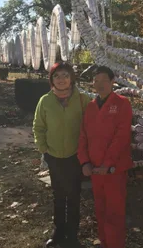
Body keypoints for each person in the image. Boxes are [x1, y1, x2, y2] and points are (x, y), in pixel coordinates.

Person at [33, 61, 89, 248]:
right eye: (57, 76)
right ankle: (58, 231)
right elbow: (38, 127)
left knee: (73, 195)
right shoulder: (45, 101)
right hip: (54, 156)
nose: (61, 79)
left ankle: (72, 234)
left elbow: (92, 124)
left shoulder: (82, 99)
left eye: (65, 75)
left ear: (71, 78)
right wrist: (44, 149)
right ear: (52, 80)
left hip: (76, 156)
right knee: (58, 195)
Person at [78, 66, 133, 248]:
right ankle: (104, 242)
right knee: (100, 210)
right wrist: (84, 161)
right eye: (96, 80)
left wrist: (107, 163)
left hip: (113, 169)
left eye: (104, 80)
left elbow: (122, 136)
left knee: (114, 212)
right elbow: (83, 136)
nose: (100, 84)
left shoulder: (122, 103)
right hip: (94, 169)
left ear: (112, 82)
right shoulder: (91, 107)